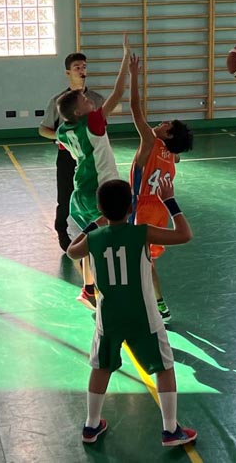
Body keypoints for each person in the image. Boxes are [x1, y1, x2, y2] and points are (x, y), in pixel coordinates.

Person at [66, 178, 197, 446]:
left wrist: (94, 224)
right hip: (143, 316)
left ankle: (91, 425)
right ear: (131, 207)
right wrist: (170, 201)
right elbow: (184, 234)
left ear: (101, 209)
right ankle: (170, 430)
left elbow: (71, 251)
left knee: (101, 367)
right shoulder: (142, 233)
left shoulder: (93, 238)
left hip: (109, 317)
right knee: (164, 367)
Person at [56, 35, 131, 309]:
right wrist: (126, 59)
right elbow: (118, 93)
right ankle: (111, 289)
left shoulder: (64, 130)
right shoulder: (92, 122)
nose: (91, 101)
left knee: (92, 241)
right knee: (108, 242)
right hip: (102, 191)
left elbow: (63, 142)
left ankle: (88, 289)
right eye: (86, 100)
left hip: (80, 192)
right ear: (79, 112)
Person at [127, 53, 194, 323]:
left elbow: (135, 109)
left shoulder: (150, 140)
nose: (162, 122)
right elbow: (176, 156)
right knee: (147, 260)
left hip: (141, 208)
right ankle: (159, 305)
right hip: (161, 210)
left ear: (168, 134)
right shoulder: (172, 154)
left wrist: (133, 76)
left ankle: (149, 305)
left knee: (137, 261)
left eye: (167, 125)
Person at [39, 52, 105, 251]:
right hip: (68, 155)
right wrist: (63, 138)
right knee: (65, 194)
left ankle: (96, 229)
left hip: (92, 156)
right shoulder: (58, 101)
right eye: (77, 67)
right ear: (68, 72)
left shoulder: (97, 99)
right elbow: (43, 129)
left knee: (96, 193)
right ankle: (61, 228)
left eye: (84, 66)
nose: (81, 70)